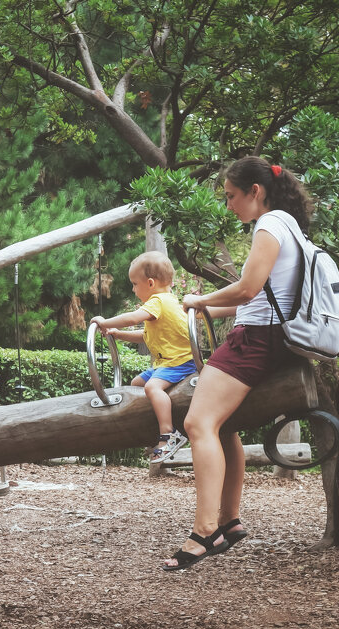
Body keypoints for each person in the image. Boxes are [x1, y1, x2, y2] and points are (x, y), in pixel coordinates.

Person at [162, 156, 310, 571]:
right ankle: (229, 521)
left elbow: (248, 290)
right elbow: (263, 297)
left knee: (197, 424)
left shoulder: (269, 225)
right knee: (223, 424)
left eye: (231, 196)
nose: (229, 205)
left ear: (254, 192)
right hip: (269, 335)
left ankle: (204, 529)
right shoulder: (290, 226)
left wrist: (198, 300)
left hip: (255, 340)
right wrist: (212, 311)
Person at [91, 251, 196, 464]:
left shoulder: (158, 301)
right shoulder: (168, 302)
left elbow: (132, 318)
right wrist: (118, 335)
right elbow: (145, 336)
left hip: (180, 362)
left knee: (152, 388)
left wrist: (106, 322)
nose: (133, 289)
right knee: (137, 383)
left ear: (150, 283)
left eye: (134, 284)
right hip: (167, 363)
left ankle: (169, 435)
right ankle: (154, 429)